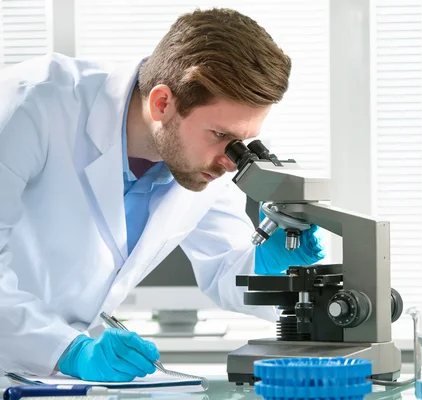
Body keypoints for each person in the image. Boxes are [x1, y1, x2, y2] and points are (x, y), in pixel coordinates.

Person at [0, 8, 325, 381]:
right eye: (221, 136)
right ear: (162, 103)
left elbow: (224, 265)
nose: (231, 161)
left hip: (45, 377)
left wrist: (266, 264)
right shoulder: (32, 105)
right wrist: (65, 349)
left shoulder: (199, 163)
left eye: (242, 142)